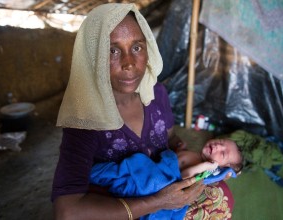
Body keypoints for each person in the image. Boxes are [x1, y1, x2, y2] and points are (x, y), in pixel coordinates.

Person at [52, 3, 234, 220]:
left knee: (221, 195)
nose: (129, 63)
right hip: (122, 208)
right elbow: (67, 211)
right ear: (93, 57)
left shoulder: (156, 93)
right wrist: (159, 202)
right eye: (112, 50)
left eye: (137, 47)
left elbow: (168, 137)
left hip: (162, 187)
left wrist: (178, 147)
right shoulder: (84, 119)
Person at [178, 138, 243, 179]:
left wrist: (205, 166)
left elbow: (183, 176)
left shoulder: (201, 169)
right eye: (220, 141)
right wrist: (181, 150)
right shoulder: (197, 155)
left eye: (223, 153)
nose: (218, 146)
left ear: (221, 167)